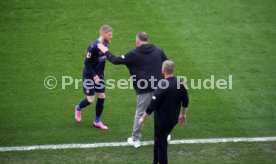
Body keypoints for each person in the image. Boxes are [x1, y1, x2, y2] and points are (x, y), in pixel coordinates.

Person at [97, 32, 168, 147]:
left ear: (137, 41)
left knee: (140, 113)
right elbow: (167, 63)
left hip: (144, 88)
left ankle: (136, 139)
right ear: (147, 40)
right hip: (160, 87)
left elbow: (115, 60)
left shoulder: (134, 53)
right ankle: (164, 135)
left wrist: (105, 50)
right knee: (161, 111)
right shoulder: (158, 50)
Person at [139, 60, 189, 164]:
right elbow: (186, 101)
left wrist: (143, 117)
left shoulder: (162, 85)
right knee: (158, 141)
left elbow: (152, 104)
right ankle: (155, 161)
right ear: (173, 70)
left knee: (161, 146)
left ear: (163, 70)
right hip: (173, 120)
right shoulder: (180, 83)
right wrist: (183, 114)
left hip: (161, 122)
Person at [74, 25, 113, 130]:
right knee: (90, 100)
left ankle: (97, 121)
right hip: (89, 75)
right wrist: (94, 76)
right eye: (109, 35)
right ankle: (78, 108)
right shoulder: (93, 46)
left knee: (102, 96)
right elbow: (86, 62)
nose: (111, 36)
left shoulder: (106, 44)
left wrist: (102, 70)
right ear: (103, 34)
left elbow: (103, 58)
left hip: (99, 75)